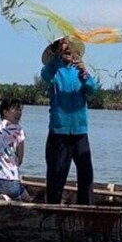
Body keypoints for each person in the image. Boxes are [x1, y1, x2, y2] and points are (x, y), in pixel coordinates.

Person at [41, 37, 98, 205]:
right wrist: (56, 57)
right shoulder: (53, 70)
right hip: (60, 130)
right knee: (57, 173)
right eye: (63, 47)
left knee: (86, 173)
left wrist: (84, 74)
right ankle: (52, 208)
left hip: (80, 131)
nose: (67, 50)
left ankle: (86, 208)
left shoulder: (79, 72)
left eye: (69, 48)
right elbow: (45, 75)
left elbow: (92, 89)